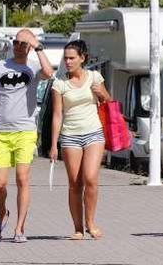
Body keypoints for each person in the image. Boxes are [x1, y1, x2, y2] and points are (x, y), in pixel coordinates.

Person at [0, 29, 55, 243]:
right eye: (16, 42)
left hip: (25, 131)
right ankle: (2, 213)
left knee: (22, 179)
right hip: (0, 132)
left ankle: (19, 228)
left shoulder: (33, 67)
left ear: (29, 47)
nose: (19, 46)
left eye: (23, 43)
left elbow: (50, 73)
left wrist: (38, 47)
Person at [48, 40, 111, 240]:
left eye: (72, 58)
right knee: (75, 184)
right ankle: (78, 228)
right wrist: (53, 145)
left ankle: (90, 222)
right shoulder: (59, 84)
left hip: (94, 133)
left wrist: (102, 93)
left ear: (82, 58)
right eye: (65, 58)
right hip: (70, 136)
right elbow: (57, 115)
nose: (67, 61)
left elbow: (108, 101)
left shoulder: (94, 77)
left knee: (90, 178)